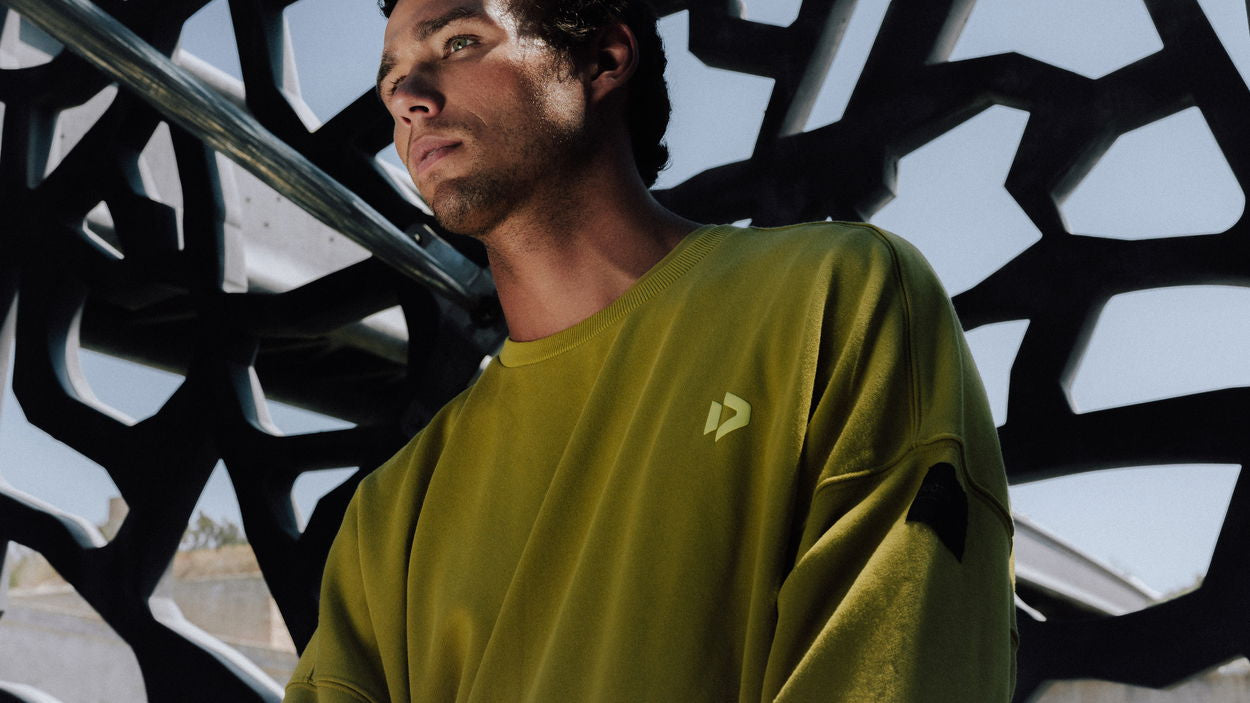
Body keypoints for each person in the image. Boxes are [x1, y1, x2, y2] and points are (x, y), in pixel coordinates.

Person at [284, 0, 1017, 700]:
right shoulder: (391, 512)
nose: (408, 98)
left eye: (460, 44)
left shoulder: (834, 296)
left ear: (604, 58)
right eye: (391, 79)